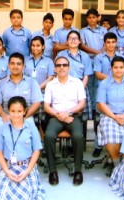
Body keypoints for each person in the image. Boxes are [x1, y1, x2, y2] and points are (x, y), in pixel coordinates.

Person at [0, 52, 42, 172]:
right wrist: (4, 115)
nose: (15, 66)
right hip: (6, 116)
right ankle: (0, 169)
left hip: (26, 116)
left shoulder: (31, 83)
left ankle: (28, 167)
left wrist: (24, 116)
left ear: (24, 66)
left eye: (19, 64)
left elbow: (37, 102)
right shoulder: (1, 83)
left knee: (31, 130)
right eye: (13, 63)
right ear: (8, 65)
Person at [0, 96, 45, 199]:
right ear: (8, 111)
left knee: (24, 196)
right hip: (9, 167)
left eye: (19, 111)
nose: (16, 114)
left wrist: (26, 171)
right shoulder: (3, 128)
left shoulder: (31, 127)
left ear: (25, 111)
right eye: (13, 111)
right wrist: (7, 171)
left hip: (27, 167)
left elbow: (36, 151)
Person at [44, 57, 86, 185]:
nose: (62, 67)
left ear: (69, 67)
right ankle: (53, 171)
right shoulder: (50, 84)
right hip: (55, 117)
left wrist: (67, 113)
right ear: (55, 68)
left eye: (64, 65)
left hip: (73, 116)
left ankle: (78, 171)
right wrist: (59, 115)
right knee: (49, 136)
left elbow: (82, 103)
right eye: (59, 65)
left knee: (78, 136)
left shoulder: (77, 82)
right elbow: (46, 106)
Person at [97, 56, 124, 176]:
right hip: (109, 115)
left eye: (121, 67)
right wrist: (115, 117)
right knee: (111, 134)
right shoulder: (104, 83)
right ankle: (116, 164)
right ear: (111, 68)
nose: (118, 70)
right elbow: (101, 104)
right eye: (116, 67)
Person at [93, 32, 124, 157]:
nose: (111, 45)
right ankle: (98, 145)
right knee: (99, 119)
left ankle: (116, 149)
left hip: (118, 92)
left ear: (116, 43)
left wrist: (117, 79)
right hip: (102, 91)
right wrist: (114, 78)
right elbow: (98, 74)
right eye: (108, 42)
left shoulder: (121, 57)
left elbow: (123, 72)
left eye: (113, 42)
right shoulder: (99, 57)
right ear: (104, 44)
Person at [56, 30, 93, 119]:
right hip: (63, 86)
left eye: (75, 38)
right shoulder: (61, 54)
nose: (73, 41)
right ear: (67, 41)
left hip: (80, 86)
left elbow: (86, 75)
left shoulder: (85, 56)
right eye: (71, 39)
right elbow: (57, 73)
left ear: (79, 41)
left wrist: (80, 89)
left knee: (82, 116)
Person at [80, 8, 107, 120]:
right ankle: (90, 111)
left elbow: (106, 43)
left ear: (98, 18)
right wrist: (97, 52)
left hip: (101, 60)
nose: (92, 20)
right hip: (89, 60)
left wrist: (101, 54)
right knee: (90, 85)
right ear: (87, 19)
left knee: (100, 84)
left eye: (94, 17)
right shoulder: (83, 31)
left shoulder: (104, 30)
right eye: (89, 17)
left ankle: (98, 110)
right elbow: (83, 46)